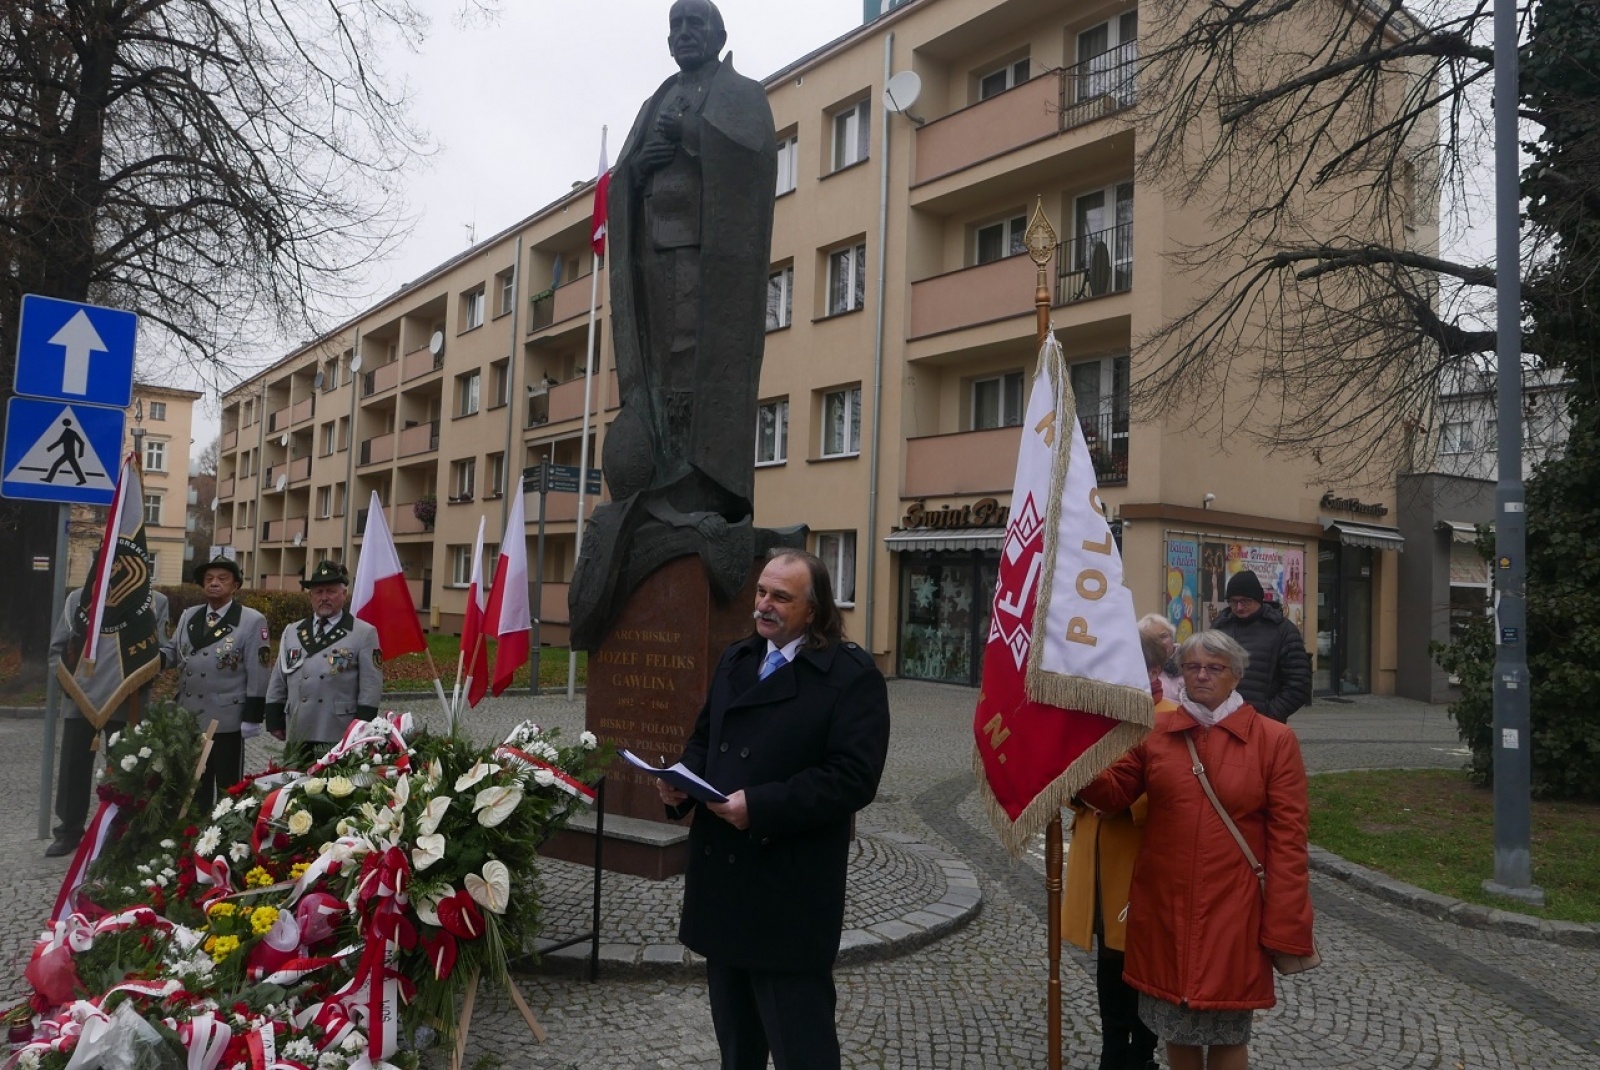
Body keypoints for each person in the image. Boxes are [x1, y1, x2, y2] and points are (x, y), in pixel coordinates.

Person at [569, 0, 780, 650]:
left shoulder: (741, 94)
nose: (684, 35)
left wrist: (687, 140)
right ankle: (659, 476)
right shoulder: (657, 97)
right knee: (660, 368)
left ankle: (694, 485)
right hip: (653, 259)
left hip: (704, 260)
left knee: (692, 361)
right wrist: (644, 159)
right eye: (675, 27)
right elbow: (628, 173)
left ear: (719, 35)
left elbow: (752, 158)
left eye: (696, 26)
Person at [654, 548, 890, 1070]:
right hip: (724, 887)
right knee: (736, 1050)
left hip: (788, 896)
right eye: (761, 592)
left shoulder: (851, 676)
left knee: (802, 1051)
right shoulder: (738, 657)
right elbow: (704, 740)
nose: (764, 605)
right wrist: (682, 785)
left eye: (781, 597)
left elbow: (853, 778)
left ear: (814, 608)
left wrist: (759, 806)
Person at [1079, 631, 1315, 1070]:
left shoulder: (1274, 741)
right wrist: (1073, 757)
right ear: (1181, 673)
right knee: (1177, 1030)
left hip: (1234, 912)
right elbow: (1113, 794)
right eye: (1192, 667)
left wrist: (1284, 924)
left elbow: (1288, 842)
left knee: (1227, 1034)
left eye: (1214, 667)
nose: (1202, 676)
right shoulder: (1156, 734)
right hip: (1165, 909)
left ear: (1236, 674)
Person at [1063, 631, 1172, 1070]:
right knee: (1109, 959)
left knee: (1140, 961)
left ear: (1153, 671)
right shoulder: (1105, 716)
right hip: (1096, 857)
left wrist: (1125, 799)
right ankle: (1113, 1048)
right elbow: (1073, 778)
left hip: (1138, 860)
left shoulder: (1169, 718)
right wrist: (1075, 789)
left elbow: (1169, 792)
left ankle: (1141, 1053)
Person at [46, 550, 170, 856]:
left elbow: (165, 649)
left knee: (126, 770)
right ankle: (69, 830)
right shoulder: (78, 599)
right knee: (73, 767)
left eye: (120, 563)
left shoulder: (154, 602)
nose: (114, 569)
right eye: (107, 563)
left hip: (127, 701)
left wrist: (147, 669)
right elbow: (57, 650)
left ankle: (122, 831)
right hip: (81, 699)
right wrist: (70, 684)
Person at [161, 557, 271, 811]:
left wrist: (252, 716)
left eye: (222, 578)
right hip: (189, 714)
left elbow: (259, 671)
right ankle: (194, 836)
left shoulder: (251, 621)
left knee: (227, 787)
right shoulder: (190, 615)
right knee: (194, 783)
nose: (214, 583)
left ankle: (224, 842)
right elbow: (173, 652)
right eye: (209, 579)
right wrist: (148, 658)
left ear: (235, 585)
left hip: (226, 718)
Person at [264, 561, 382, 765]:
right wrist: (274, 717)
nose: (324, 597)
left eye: (331, 591)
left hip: (337, 729)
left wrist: (362, 726)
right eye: (318, 592)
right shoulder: (292, 631)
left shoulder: (363, 633)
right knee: (294, 787)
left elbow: (371, 685)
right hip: (298, 728)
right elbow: (279, 677)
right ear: (310, 596)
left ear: (344, 594)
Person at [1209, 570, 1311, 722]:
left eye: (1245, 601)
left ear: (1259, 599)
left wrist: (1268, 716)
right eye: (1233, 601)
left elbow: (1299, 684)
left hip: (1261, 723)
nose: (1239, 607)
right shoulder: (1219, 627)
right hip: (1220, 721)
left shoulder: (1283, 630)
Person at [1137, 613, 1182, 702]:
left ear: (1172, 636)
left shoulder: (1190, 661)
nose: (1159, 643)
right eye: (1152, 640)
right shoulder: (1140, 668)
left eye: (1163, 636)